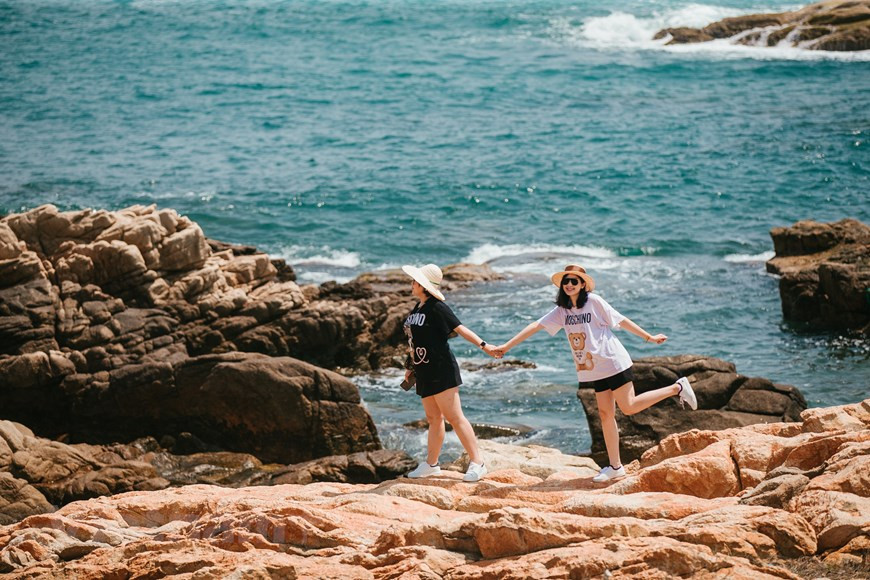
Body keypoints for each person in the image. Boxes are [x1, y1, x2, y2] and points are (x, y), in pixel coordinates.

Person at [493, 264, 697, 483]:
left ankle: (677, 388)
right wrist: (506, 346)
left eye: (574, 281)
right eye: (566, 281)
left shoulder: (594, 302)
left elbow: (621, 320)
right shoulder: (562, 311)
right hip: (593, 368)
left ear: (583, 284)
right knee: (605, 414)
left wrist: (649, 337)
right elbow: (535, 326)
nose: (569, 284)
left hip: (612, 360)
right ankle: (616, 466)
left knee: (628, 407)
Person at [401, 263, 499, 482]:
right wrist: (409, 367)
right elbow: (413, 341)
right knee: (433, 418)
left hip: (441, 368)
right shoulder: (417, 309)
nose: (411, 283)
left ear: (423, 285)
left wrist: (485, 346)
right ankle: (431, 464)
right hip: (423, 371)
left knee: (455, 417)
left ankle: (478, 462)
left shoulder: (437, 307)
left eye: (415, 280)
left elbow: (460, 329)